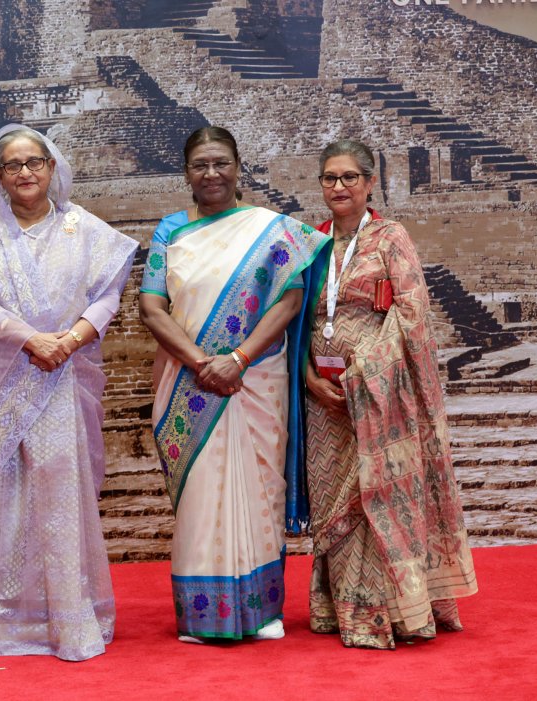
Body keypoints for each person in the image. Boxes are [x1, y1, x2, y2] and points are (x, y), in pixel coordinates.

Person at [0, 124, 137, 661]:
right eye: (13, 165)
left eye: (35, 162)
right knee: (10, 496)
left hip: (64, 378)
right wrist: (30, 339)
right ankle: (11, 620)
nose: (26, 172)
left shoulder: (82, 228)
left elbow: (108, 294)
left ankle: (72, 617)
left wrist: (71, 339)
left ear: (52, 168)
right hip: (10, 376)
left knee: (62, 491)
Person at [139, 126, 331, 643]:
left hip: (256, 379)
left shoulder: (271, 231)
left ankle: (263, 610)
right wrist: (205, 363)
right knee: (201, 496)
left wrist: (238, 359)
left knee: (262, 490)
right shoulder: (171, 231)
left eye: (220, 162)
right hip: (190, 380)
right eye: (200, 164)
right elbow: (152, 307)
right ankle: (203, 616)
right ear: (186, 172)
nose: (211, 173)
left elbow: (289, 302)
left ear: (239, 166)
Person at [303, 139, 477, 649]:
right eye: (329, 178)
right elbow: (297, 320)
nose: (338, 187)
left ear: (369, 182)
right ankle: (339, 609)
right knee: (336, 498)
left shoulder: (390, 238)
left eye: (349, 177)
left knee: (376, 493)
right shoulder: (311, 244)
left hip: (379, 393)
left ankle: (393, 615)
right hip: (324, 400)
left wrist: (365, 368)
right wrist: (310, 376)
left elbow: (411, 311)